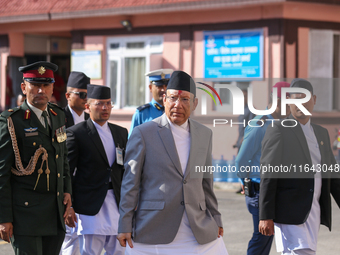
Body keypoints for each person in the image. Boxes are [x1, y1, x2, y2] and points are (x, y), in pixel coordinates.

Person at [118, 71, 228, 255]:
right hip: (154, 226)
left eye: (185, 99)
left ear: (194, 104)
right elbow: (131, 183)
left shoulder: (204, 134)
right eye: (173, 98)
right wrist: (124, 224)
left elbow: (206, 182)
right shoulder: (144, 133)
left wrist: (216, 218)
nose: (178, 104)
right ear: (164, 99)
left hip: (197, 227)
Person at [259, 78, 340, 255]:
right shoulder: (279, 129)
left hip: (313, 211)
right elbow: (268, 174)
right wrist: (265, 215)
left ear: (314, 100)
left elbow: (332, 175)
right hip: (290, 212)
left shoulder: (321, 133)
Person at [0, 61, 72, 255]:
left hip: (54, 213)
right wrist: (4, 217)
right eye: (35, 85)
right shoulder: (11, 121)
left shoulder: (57, 115)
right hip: (26, 216)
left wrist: (67, 192)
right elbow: (2, 174)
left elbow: (62, 157)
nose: (41, 90)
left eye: (46, 85)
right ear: (24, 88)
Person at [66, 84, 128, 255]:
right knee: (90, 251)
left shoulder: (120, 132)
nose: (105, 108)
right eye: (100, 104)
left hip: (115, 202)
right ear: (88, 106)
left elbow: (124, 170)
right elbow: (67, 172)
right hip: (89, 205)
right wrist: (69, 205)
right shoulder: (76, 133)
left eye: (108, 103)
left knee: (118, 251)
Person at [236, 82, 290, 255]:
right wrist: (245, 182)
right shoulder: (260, 123)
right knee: (262, 235)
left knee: (267, 235)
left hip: (274, 189)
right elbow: (242, 160)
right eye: (287, 105)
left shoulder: (283, 124)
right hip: (259, 189)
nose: (290, 109)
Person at [129, 69, 173, 137]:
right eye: (159, 86)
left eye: (166, 86)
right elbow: (132, 141)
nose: (163, 89)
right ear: (150, 88)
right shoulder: (141, 114)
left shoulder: (175, 110)